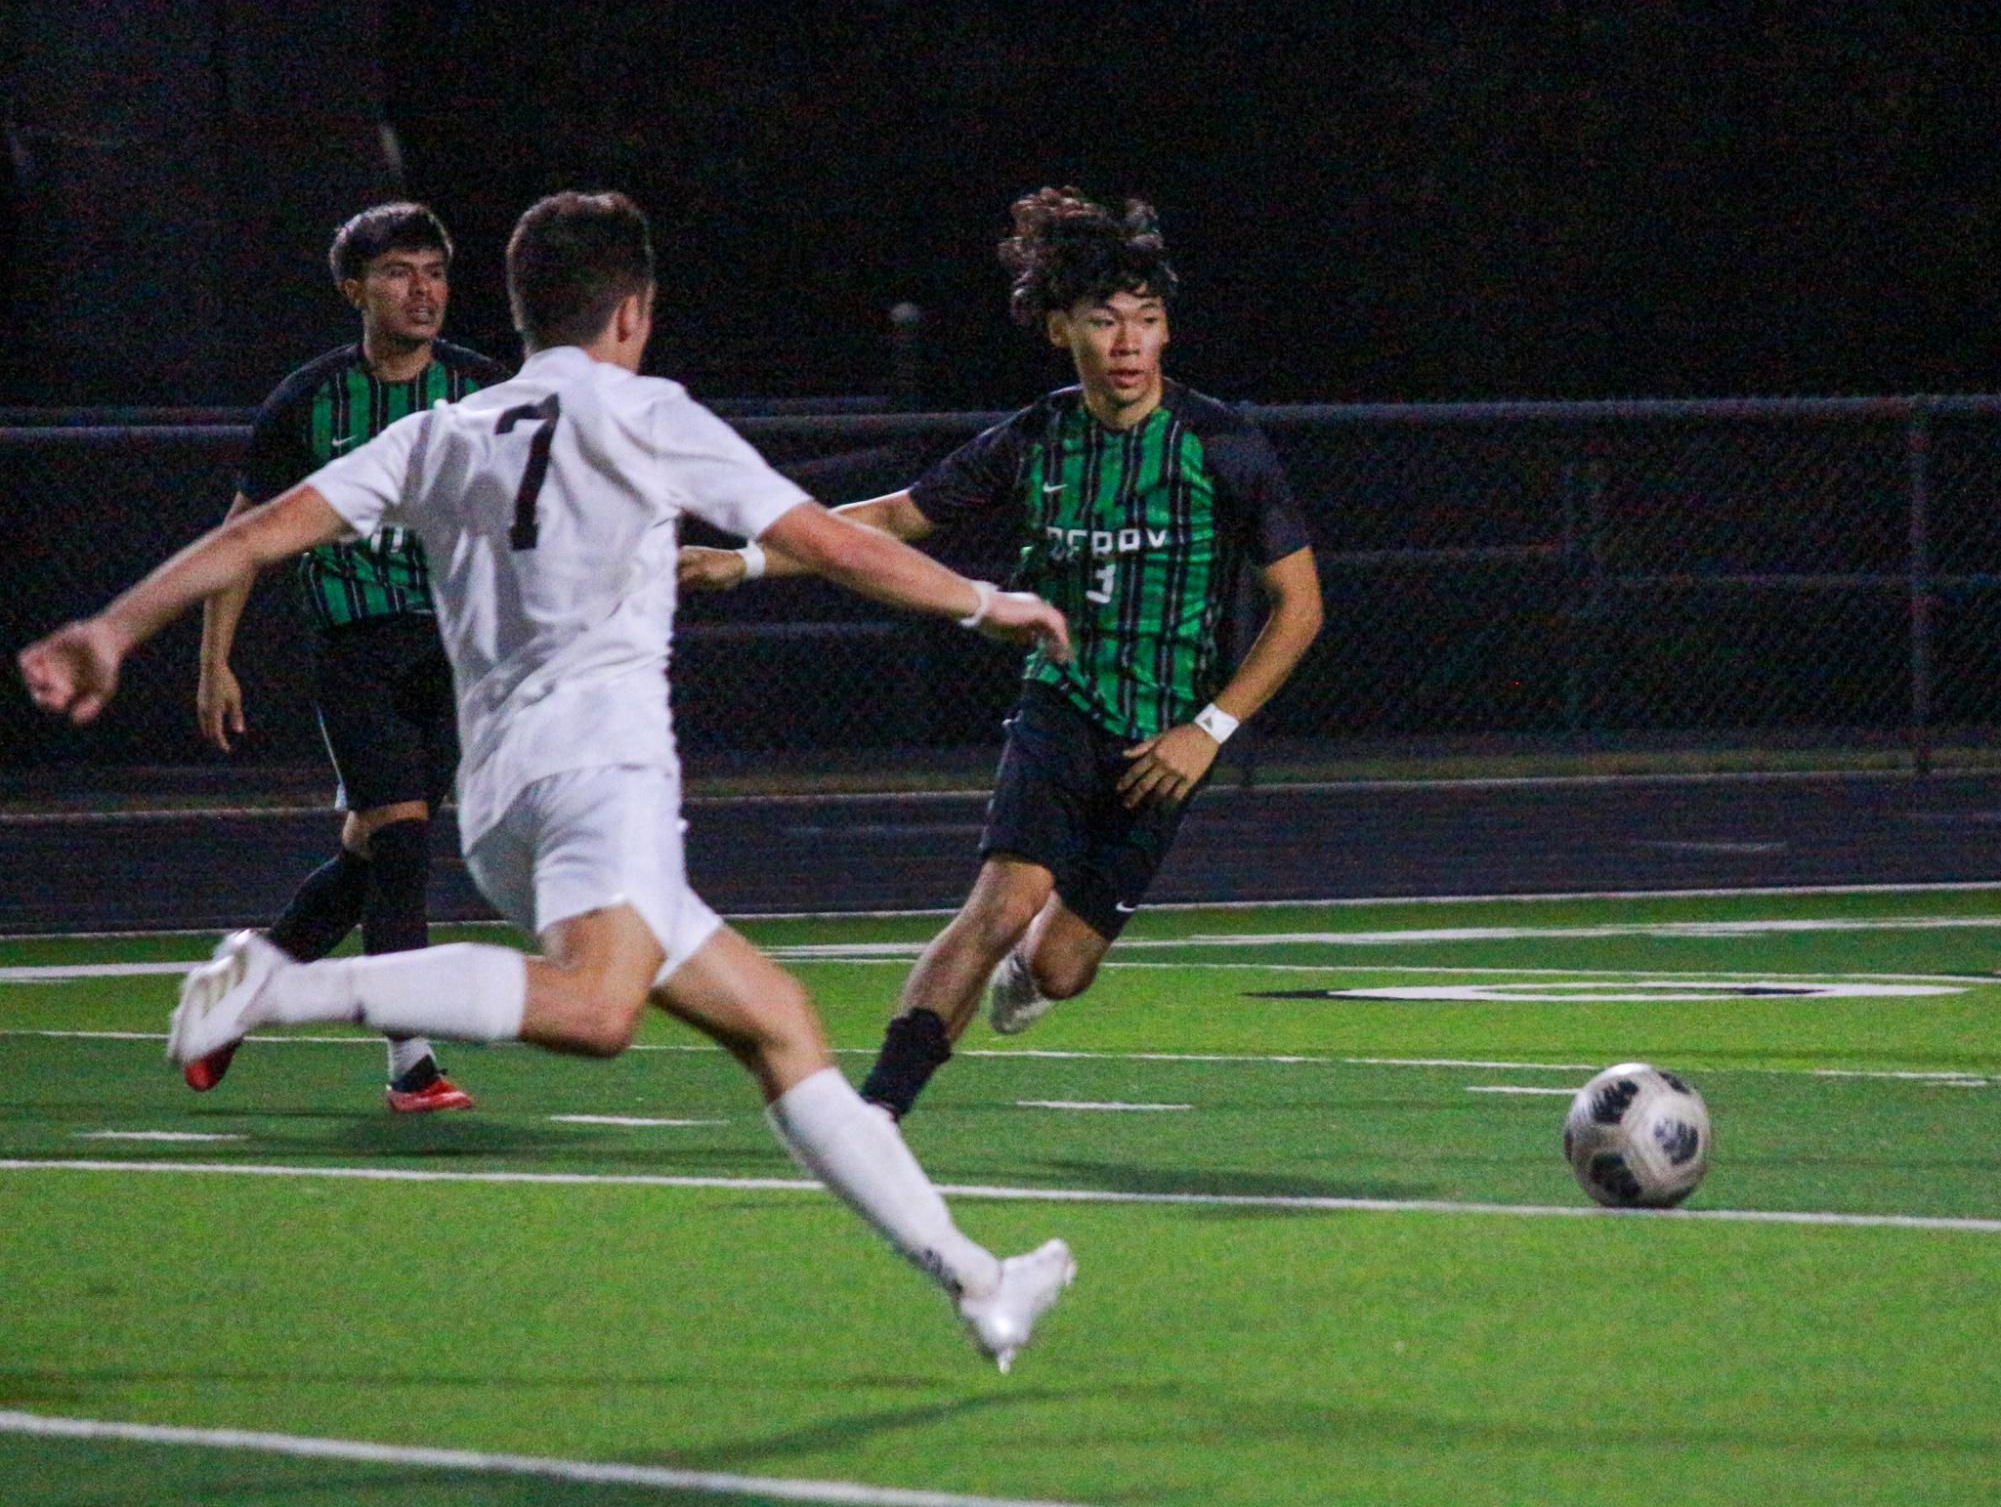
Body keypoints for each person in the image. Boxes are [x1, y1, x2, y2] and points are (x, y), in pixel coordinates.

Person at [19, 190, 1077, 1371]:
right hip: (595, 776)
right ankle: (274, 988)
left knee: (778, 1022)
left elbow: (258, 532)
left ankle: (974, 1280)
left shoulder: (443, 430)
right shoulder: (644, 410)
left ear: (522, 310)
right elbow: (833, 540)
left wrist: (114, 628)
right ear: (633, 311)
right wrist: (990, 603)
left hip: (503, 803)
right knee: (597, 1009)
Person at [681, 187, 1323, 1122]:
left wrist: (1208, 730)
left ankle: (1030, 973)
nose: (1129, 342)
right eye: (1104, 321)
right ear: (1061, 328)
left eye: (1146, 320)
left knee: (1061, 969)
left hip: (1168, 747)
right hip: (1061, 708)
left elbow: (1298, 608)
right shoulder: (1034, 440)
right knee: (998, 905)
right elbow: (893, 518)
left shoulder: (1221, 444)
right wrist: (741, 559)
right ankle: (873, 1115)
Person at [191, 202, 509, 1110]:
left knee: (373, 857)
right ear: (354, 289)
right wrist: (215, 660)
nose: (424, 290)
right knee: (404, 844)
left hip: (456, 657)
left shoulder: (485, 390)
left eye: (436, 272)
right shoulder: (308, 400)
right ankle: (410, 1062)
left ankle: (239, 995)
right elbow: (244, 537)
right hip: (356, 648)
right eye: (401, 273)